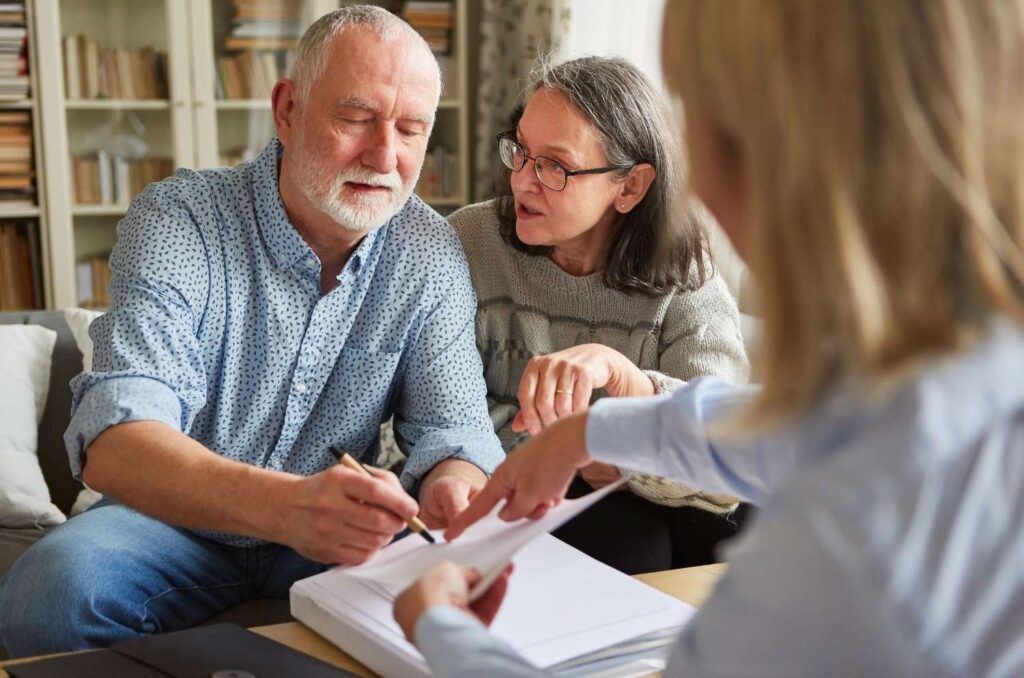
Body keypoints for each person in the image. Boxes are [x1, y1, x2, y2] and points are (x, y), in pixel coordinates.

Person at [394, 0, 1024, 675]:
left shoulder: (849, 536)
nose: (695, 171)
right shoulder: (954, 367)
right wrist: (583, 435)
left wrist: (439, 629)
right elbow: (787, 422)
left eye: (704, 121)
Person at [0, 6, 505, 658]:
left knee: (467, 610)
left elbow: (455, 430)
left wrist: (454, 489)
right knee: (48, 593)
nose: (386, 155)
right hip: (169, 522)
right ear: (287, 108)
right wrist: (290, 506)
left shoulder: (429, 251)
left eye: (412, 130)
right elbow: (116, 444)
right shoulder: (182, 218)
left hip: (339, 536)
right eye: (356, 119)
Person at [448, 56, 749, 574]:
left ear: (629, 187)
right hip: (518, 487)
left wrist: (631, 394)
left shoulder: (683, 263)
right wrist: (580, 446)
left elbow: (729, 445)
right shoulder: (467, 243)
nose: (522, 181)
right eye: (520, 151)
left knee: (743, 528)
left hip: (651, 496)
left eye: (554, 167)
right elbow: (444, 415)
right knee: (631, 541)